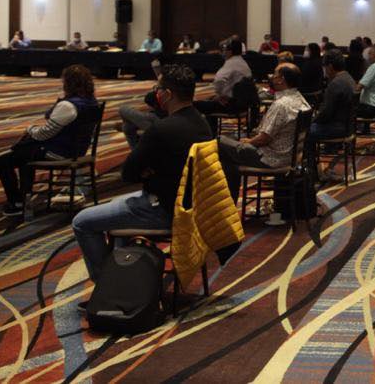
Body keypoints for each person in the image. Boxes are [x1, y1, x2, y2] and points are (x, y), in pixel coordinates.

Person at [71, 65, 212, 282]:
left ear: (167, 94)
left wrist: (148, 172)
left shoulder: (161, 129)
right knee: (117, 205)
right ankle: (123, 276)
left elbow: (128, 174)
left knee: (81, 221)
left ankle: (106, 283)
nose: (156, 92)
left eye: (158, 88)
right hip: (194, 208)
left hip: (163, 210)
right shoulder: (202, 124)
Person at [0, 65, 98, 216]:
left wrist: (30, 129)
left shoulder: (68, 106)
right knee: (24, 155)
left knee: (3, 161)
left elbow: (44, 134)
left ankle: (16, 202)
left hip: (60, 153)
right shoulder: (92, 102)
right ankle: (23, 200)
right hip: (77, 150)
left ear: (68, 83)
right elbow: (50, 119)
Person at [218, 63, 309, 200]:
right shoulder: (301, 99)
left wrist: (248, 142)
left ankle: (227, 201)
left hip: (270, 158)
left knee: (219, 143)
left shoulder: (282, 105)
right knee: (229, 155)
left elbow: (263, 139)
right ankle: (227, 201)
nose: (271, 77)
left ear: (281, 79)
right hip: (290, 157)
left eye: (275, 74)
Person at [194, 38, 253, 119]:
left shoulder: (231, 63)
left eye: (224, 50)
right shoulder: (243, 62)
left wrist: (219, 95)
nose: (223, 53)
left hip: (230, 105)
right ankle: (212, 126)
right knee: (210, 100)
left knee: (194, 105)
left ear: (230, 51)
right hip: (243, 104)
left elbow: (219, 81)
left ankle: (207, 127)